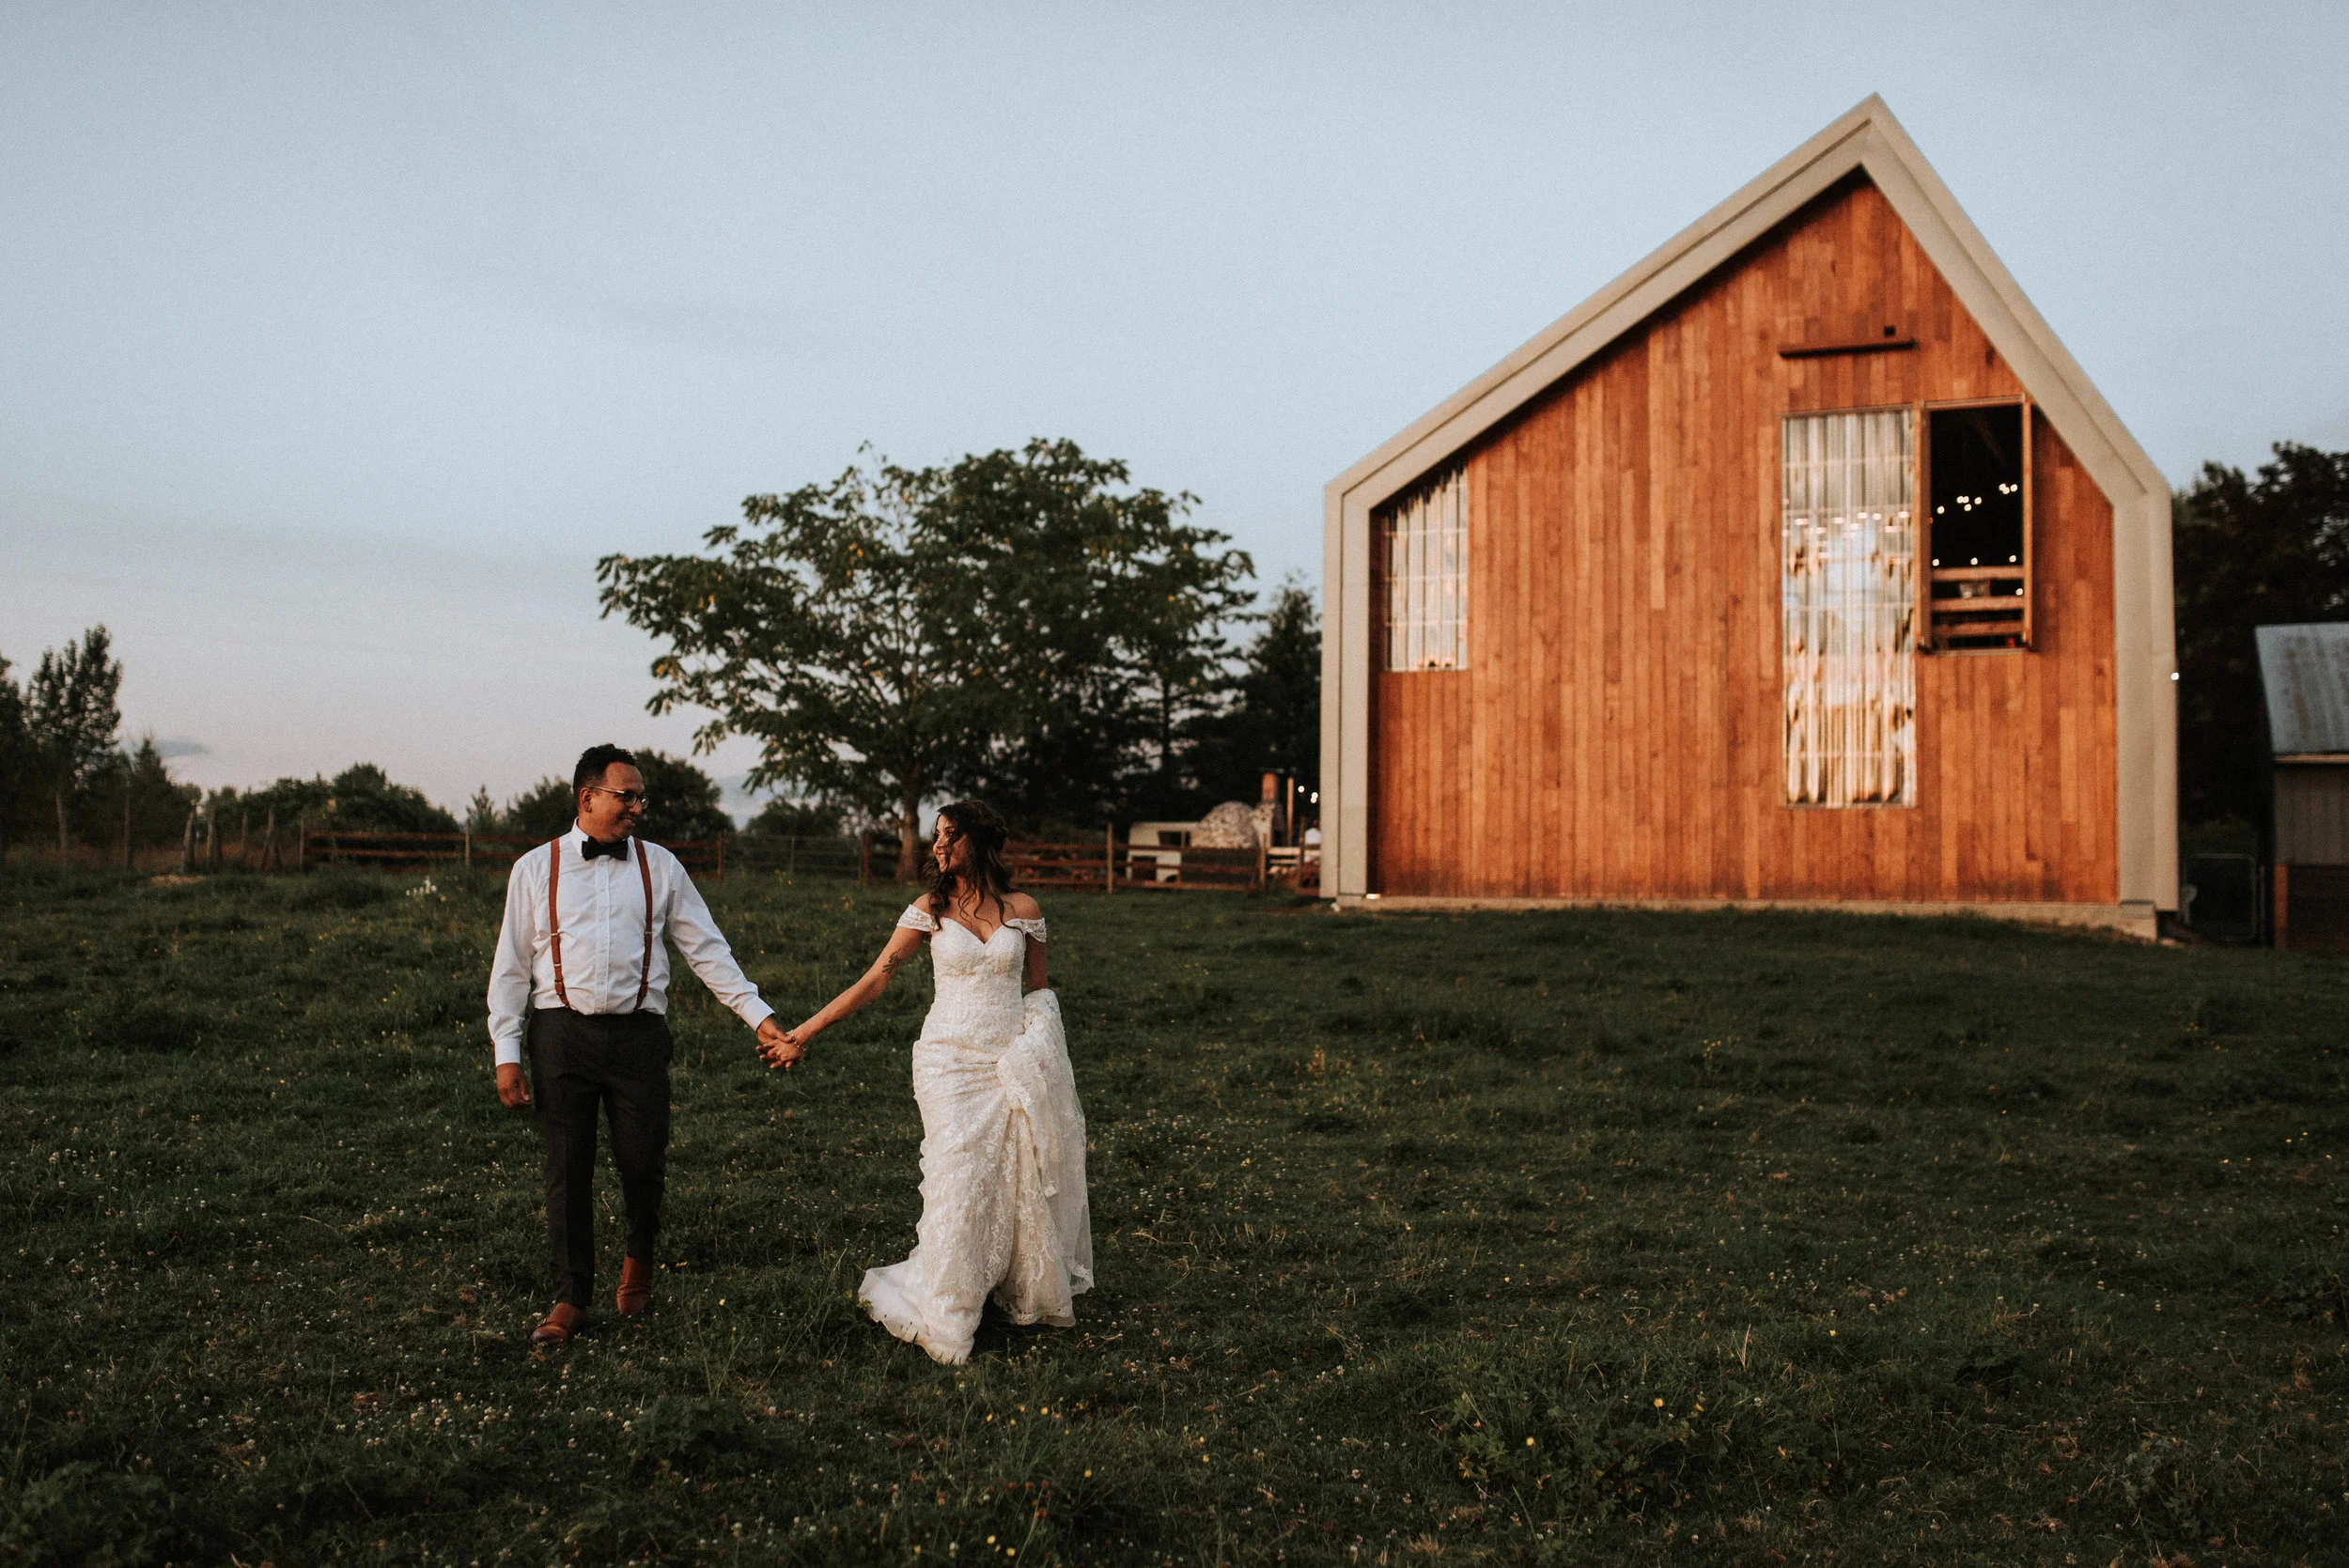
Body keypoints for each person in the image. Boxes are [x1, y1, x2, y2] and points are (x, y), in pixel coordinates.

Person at [487, 743, 795, 1347]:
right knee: (567, 1168)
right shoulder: (534, 868)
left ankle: (638, 1260)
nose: (637, 807)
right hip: (561, 1034)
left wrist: (759, 1017)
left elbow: (707, 950)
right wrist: (507, 1051)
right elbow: (510, 968)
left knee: (641, 1161)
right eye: (626, 796)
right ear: (588, 797)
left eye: (640, 797)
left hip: (638, 1038)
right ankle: (571, 1297)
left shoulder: (662, 867)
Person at [764, 800, 1091, 1364]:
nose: (937, 845)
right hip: (947, 1063)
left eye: (950, 835)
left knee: (1005, 1176)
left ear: (980, 840)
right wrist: (802, 1033)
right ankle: (948, 1306)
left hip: (1006, 1062)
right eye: (936, 835)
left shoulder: (1024, 910)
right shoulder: (928, 911)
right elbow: (874, 981)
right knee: (959, 1173)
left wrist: (1034, 1057)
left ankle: (999, 1283)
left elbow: (1039, 995)